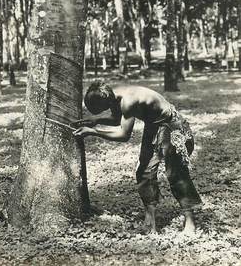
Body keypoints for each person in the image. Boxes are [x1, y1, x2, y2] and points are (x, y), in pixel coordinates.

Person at [73, 81, 202, 234]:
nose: (102, 111)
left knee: (175, 173)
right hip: (153, 125)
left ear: (106, 100)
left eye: (100, 109)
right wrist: (97, 121)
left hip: (172, 125)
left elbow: (123, 135)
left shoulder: (128, 101)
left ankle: (190, 221)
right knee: (144, 171)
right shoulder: (114, 94)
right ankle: (150, 220)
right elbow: (117, 119)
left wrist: (93, 131)